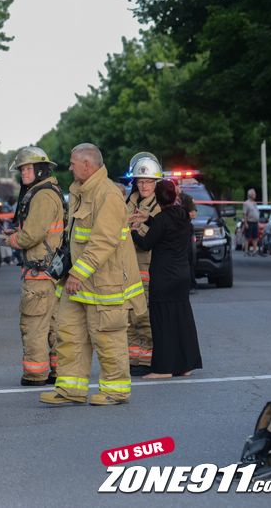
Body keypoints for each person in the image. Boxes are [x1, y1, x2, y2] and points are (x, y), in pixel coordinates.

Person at [39, 143, 146, 407]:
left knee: (108, 337)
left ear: (88, 165)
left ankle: (115, 390)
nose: (70, 167)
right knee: (70, 334)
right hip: (78, 282)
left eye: (73, 162)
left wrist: (78, 273)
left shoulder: (107, 194)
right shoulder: (81, 192)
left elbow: (103, 241)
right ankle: (70, 389)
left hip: (103, 283)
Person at [131, 179, 202, 378]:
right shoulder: (183, 217)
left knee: (161, 322)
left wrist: (133, 231)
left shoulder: (162, 219)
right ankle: (186, 364)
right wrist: (150, 219)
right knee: (182, 319)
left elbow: (146, 243)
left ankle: (163, 368)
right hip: (181, 275)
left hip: (164, 277)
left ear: (158, 198)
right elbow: (166, 227)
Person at [5, 146, 64, 386]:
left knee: (34, 324)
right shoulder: (48, 192)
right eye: (21, 170)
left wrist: (12, 240)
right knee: (51, 324)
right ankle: (55, 371)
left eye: (28, 168)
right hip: (49, 270)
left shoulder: (41, 196)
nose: (23, 173)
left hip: (39, 272)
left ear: (40, 169)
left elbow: (32, 236)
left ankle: (35, 373)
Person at [125, 154, 163, 376]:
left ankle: (147, 359)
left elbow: (149, 237)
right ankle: (133, 359)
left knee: (145, 317)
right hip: (127, 269)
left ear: (156, 183)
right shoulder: (129, 202)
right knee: (129, 317)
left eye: (148, 181)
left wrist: (132, 229)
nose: (144, 185)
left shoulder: (158, 208)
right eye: (140, 181)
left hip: (146, 268)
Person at [242, 188, 260, 256]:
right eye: (254, 194)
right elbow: (244, 214)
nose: (255, 195)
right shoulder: (246, 203)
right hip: (249, 222)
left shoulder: (255, 203)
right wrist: (245, 223)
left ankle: (254, 250)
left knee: (255, 237)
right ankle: (246, 251)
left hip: (255, 222)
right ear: (251, 195)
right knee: (247, 237)